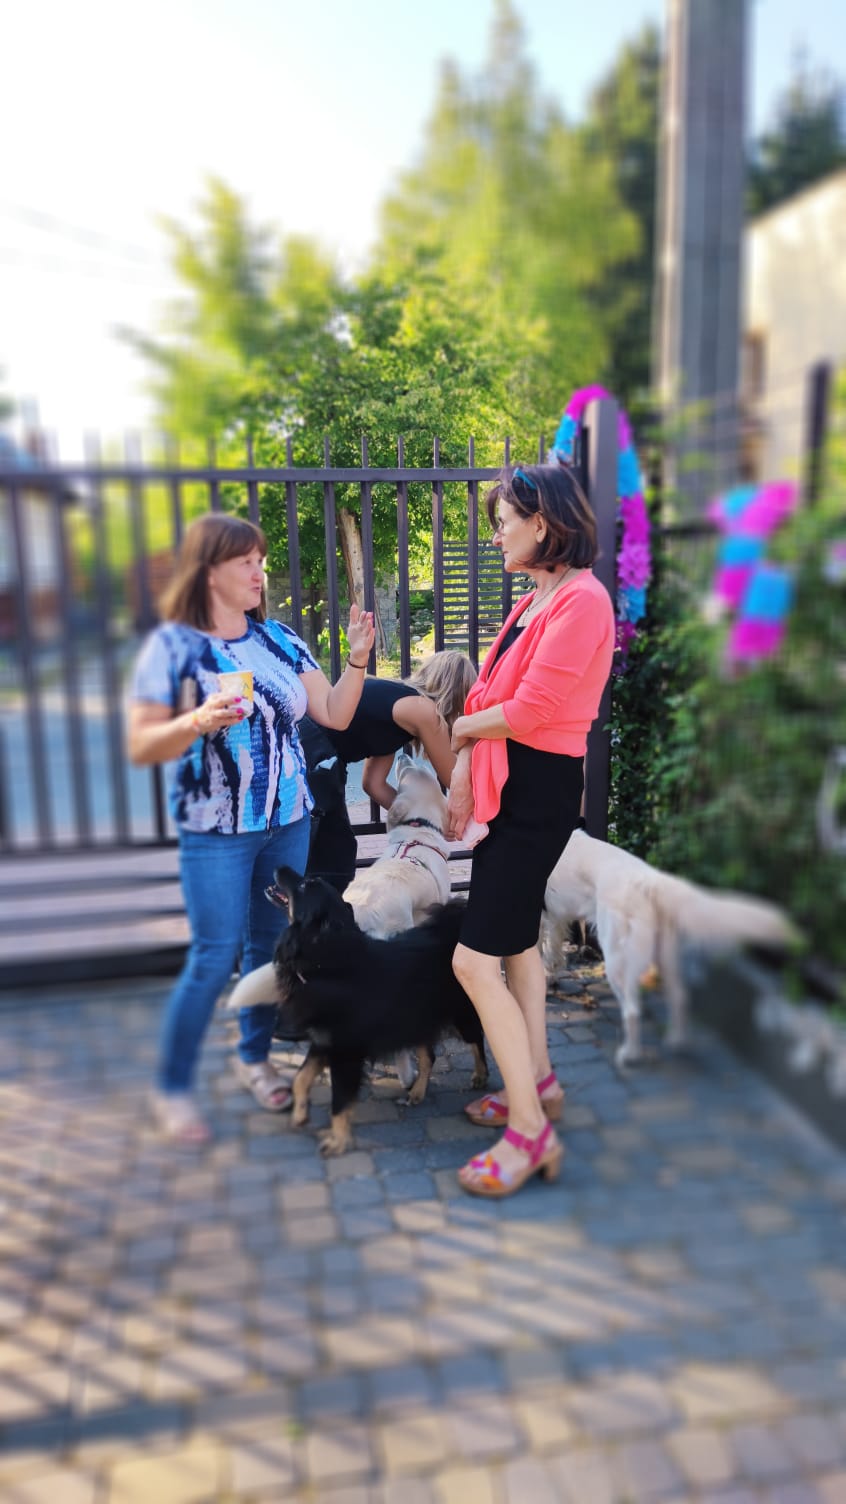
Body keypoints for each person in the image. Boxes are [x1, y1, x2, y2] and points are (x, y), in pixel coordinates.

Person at [127, 512, 375, 1144]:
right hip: (216, 829)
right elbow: (141, 744)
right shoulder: (173, 649)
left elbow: (334, 713)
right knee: (214, 958)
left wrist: (356, 658)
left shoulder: (280, 639)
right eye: (246, 562)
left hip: (287, 820)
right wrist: (196, 721)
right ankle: (172, 1087)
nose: (259, 572)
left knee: (269, 948)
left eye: (261, 560)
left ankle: (254, 1057)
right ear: (209, 572)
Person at [446, 464, 615, 1197]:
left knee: (472, 963)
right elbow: (490, 694)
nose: (496, 535)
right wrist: (466, 753)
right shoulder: (536, 599)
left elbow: (530, 711)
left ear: (541, 523)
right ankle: (539, 1084)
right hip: (510, 785)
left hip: (535, 791)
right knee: (514, 948)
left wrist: (460, 733)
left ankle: (528, 1133)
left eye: (504, 521)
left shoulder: (583, 601)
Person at [298, 650, 478, 892]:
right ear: (458, 695)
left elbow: (373, 784)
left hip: (313, 751)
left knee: (333, 855)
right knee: (330, 863)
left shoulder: (393, 702)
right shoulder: (423, 710)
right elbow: (452, 778)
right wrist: (470, 742)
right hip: (316, 755)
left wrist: (422, 821)